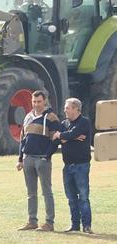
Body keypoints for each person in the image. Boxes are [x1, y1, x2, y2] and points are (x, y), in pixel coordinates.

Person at [17, 90, 59, 232]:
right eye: (34, 102)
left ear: (45, 101)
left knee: (46, 192)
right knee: (31, 193)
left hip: (42, 159)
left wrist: (46, 156)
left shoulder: (52, 117)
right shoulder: (28, 116)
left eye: (39, 101)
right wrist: (20, 159)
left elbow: (55, 140)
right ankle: (32, 221)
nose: (36, 104)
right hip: (28, 158)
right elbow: (22, 139)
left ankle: (49, 222)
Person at [57, 97, 92, 234]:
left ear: (76, 109)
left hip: (81, 166)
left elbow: (72, 134)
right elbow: (58, 136)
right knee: (71, 198)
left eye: (68, 107)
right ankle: (75, 225)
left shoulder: (84, 122)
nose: (65, 110)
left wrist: (67, 137)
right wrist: (70, 137)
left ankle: (87, 226)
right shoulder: (64, 123)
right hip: (68, 166)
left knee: (83, 197)